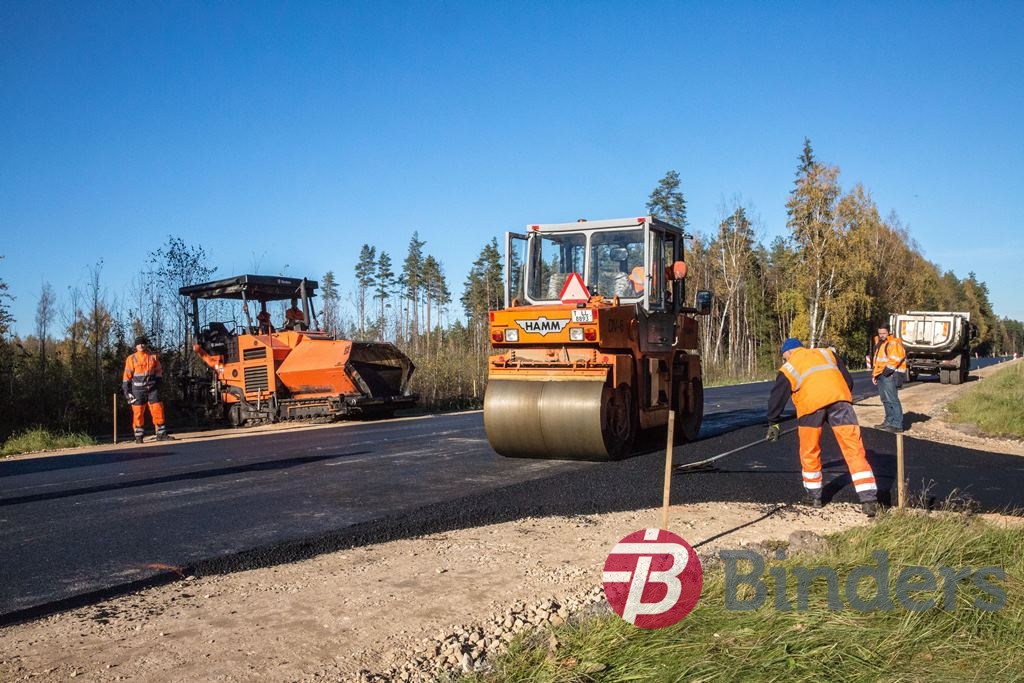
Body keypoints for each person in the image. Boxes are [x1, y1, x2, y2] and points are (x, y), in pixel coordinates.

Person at [766, 337, 878, 517]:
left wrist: (773, 422)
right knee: (854, 449)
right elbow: (848, 380)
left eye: (784, 356)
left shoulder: (789, 367)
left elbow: (777, 396)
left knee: (810, 451)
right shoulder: (827, 353)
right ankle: (869, 500)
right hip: (841, 402)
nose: (785, 360)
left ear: (788, 352)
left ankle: (814, 497)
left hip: (810, 407)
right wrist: (838, 399)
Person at [122, 335, 171, 444]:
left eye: (143, 343)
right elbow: (127, 376)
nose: (141, 345)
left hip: (152, 389)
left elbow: (158, 370)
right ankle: (139, 437)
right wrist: (126, 390)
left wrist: (158, 382)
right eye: (139, 344)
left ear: (146, 345)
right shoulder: (131, 358)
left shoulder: (153, 357)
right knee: (138, 412)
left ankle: (161, 434)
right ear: (135, 346)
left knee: (158, 409)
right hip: (137, 390)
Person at [871, 326, 907, 432]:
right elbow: (878, 362)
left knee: (892, 400)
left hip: (889, 375)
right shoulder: (880, 343)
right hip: (881, 375)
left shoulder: (893, 343)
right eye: (880, 333)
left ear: (889, 332)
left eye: (884, 333)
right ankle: (888, 422)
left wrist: (886, 373)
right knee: (885, 400)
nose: (881, 335)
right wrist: (875, 375)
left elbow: (896, 359)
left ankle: (897, 425)